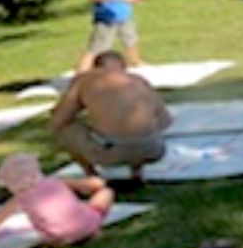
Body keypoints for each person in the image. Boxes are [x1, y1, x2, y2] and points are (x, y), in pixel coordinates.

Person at [52, 51, 173, 185]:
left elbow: (59, 120)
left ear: (96, 67)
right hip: (152, 149)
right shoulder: (139, 80)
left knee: (64, 130)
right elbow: (165, 121)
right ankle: (137, 172)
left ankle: (92, 176)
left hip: (109, 152)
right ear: (123, 66)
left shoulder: (85, 80)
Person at [0, 152, 115, 248]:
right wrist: (97, 182)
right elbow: (94, 185)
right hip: (86, 224)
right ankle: (91, 231)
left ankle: (63, 240)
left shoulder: (21, 198)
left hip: (57, 236)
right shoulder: (56, 181)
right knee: (106, 193)